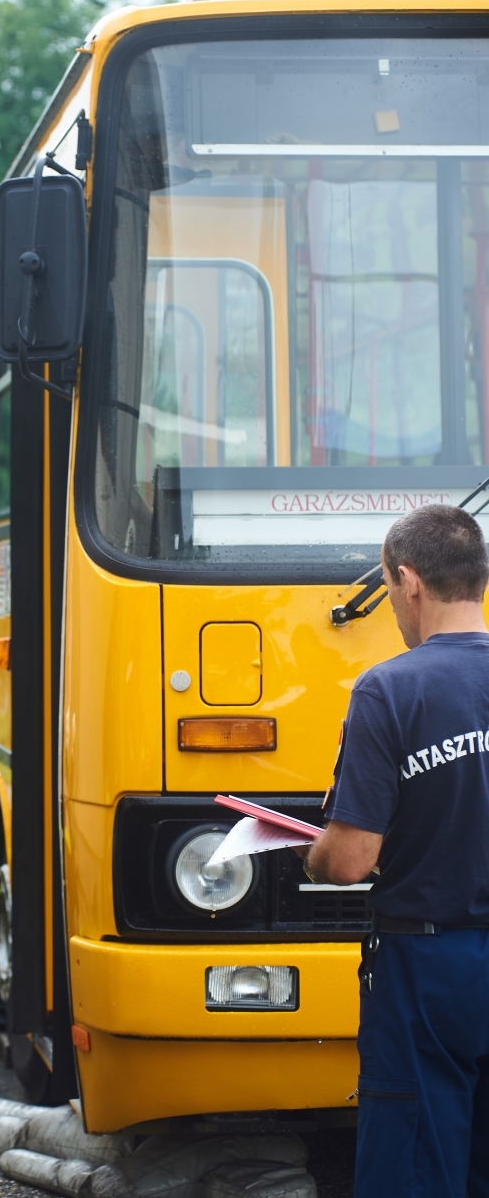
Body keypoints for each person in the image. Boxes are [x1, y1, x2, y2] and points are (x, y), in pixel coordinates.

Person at [301, 503, 489, 1198]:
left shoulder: (391, 688)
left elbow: (350, 859)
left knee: (415, 1164)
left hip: (426, 966)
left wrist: (311, 854)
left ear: (408, 582)